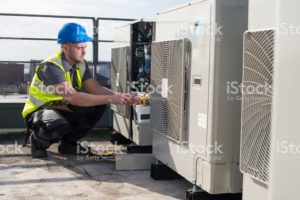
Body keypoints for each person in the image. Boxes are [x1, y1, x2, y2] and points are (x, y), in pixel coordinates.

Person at [22, 22, 137, 158]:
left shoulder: (80, 64)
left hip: (62, 107)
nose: (84, 52)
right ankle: (37, 141)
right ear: (65, 47)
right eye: (79, 48)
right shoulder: (51, 67)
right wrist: (111, 98)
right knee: (57, 126)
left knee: (98, 104)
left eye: (84, 47)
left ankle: (69, 144)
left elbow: (96, 89)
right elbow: (73, 97)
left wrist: (121, 96)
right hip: (40, 111)